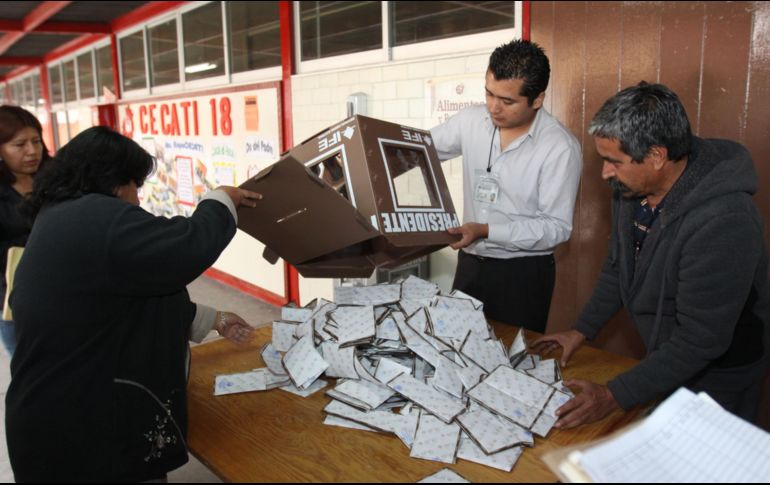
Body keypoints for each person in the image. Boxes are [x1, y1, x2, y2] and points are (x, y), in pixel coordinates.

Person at [5, 126, 262, 482]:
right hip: (83, 435)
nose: (138, 201)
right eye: (135, 187)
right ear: (112, 181)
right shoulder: (95, 217)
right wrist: (219, 201)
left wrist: (210, 318)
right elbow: (184, 248)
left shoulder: (62, 215)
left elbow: (117, 297)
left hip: (57, 419)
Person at [532, 82, 770, 427]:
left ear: (657, 156)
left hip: (721, 376)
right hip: (668, 359)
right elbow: (619, 267)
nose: (605, 173)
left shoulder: (725, 220)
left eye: (614, 161)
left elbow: (701, 340)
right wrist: (581, 330)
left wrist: (612, 395)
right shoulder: (630, 189)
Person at [430, 39, 582, 333]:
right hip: (470, 264)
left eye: (507, 101)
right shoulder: (471, 121)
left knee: (511, 359)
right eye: (489, 93)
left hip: (522, 275)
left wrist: (486, 230)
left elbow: (556, 228)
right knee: (456, 350)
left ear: (537, 99)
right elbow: (416, 149)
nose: (493, 108)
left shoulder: (560, 147)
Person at [0, 105, 51, 356]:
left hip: (67, 292)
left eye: (36, 141)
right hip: (15, 300)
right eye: (19, 145)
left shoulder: (59, 179)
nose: (32, 151)